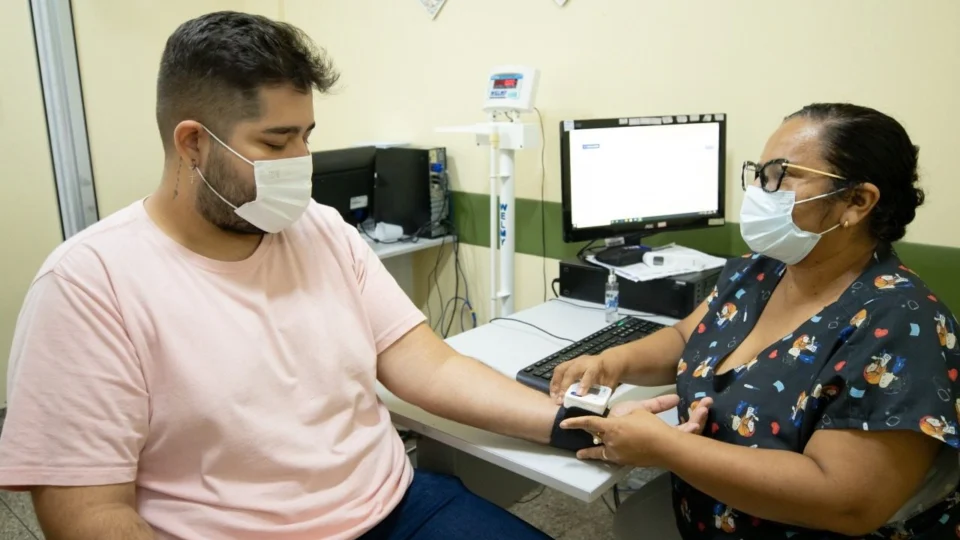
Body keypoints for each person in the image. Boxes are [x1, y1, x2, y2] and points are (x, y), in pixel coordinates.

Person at [0, 11, 709, 540]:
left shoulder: (320, 230)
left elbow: (424, 366)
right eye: (277, 142)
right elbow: (86, 511)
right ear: (193, 144)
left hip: (396, 506)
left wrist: (571, 424)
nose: (302, 161)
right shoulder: (90, 287)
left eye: (307, 136)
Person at [553, 103, 960, 539]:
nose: (760, 190)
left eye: (781, 174)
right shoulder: (761, 270)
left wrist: (667, 447)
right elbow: (686, 337)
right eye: (760, 173)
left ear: (857, 202)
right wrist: (616, 361)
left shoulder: (901, 323)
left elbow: (847, 502)